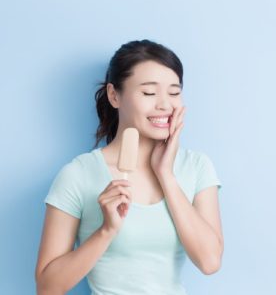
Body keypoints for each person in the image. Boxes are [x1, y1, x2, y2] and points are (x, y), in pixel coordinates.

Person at [35, 39, 223, 295]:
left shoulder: (197, 167)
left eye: (174, 92)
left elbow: (210, 262)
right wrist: (106, 230)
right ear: (114, 95)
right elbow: (47, 287)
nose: (165, 105)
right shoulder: (78, 174)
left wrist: (165, 175)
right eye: (148, 93)